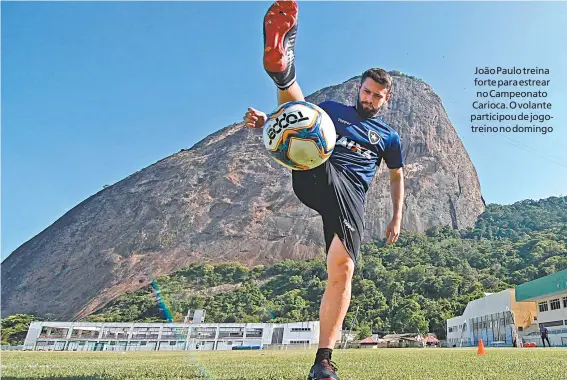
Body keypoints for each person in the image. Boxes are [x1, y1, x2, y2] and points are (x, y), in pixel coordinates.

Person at [243, 2, 405, 379]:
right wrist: (267, 121)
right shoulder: (334, 109)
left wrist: (397, 217)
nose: (368, 99)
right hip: (319, 169)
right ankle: (282, 69)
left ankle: (323, 362)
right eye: (365, 92)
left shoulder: (389, 137)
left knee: (343, 270)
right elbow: (299, 117)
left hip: (350, 196)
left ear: (386, 98)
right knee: (310, 121)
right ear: (359, 88)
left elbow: (397, 177)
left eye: (376, 96)